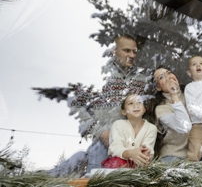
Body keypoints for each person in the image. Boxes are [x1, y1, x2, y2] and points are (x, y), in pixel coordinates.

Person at [71, 34, 147, 172]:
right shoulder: (96, 76)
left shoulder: (142, 80)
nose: (132, 55)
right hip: (101, 149)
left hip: (132, 150)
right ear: (114, 51)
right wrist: (101, 132)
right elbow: (78, 110)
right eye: (127, 50)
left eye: (134, 51)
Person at [101, 94, 157, 168]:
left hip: (140, 168)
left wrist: (146, 153)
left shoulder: (151, 128)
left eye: (139, 102)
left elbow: (147, 149)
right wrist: (130, 153)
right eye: (130, 103)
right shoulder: (118, 124)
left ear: (144, 109)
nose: (136, 105)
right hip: (119, 167)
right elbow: (115, 148)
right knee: (117, 162)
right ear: (124, 112)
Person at [150, 66, 192, 165]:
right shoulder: (161, 108)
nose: (168, 77)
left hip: (198, 153)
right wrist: (173, 95)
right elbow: (184, 126)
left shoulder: (190, 93)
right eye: (161, 77)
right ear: (158, 87)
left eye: (169, 73)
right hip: (173, 156)